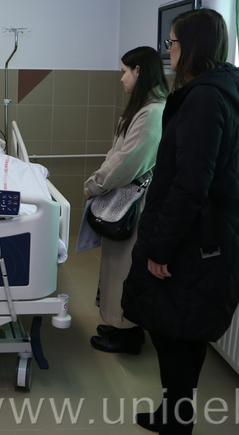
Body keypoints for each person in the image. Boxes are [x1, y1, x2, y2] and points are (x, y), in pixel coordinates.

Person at [121, 9, 239, 435]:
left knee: (175, 331)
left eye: (172, 42)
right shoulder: (216, 93)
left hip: (195, 241)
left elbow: (190, 182)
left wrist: (161, 248)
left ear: (191, 46)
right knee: (180, 330)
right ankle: (174, 413)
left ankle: (177, 420)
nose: (169, 51)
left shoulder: (203, 99)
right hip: (206, 234)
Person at [77, 46, 168, 355]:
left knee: (125, 270)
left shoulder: (152, 113)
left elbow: (127, 163)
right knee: (115, 266)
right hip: (124, 196)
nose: (121, 78)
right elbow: (117, 154)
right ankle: (117, 322)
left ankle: (127, 333)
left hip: (135, 202)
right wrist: (100, 180)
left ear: (138, 71)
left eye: (124, 71)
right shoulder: (143, 108)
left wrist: (95, 185)